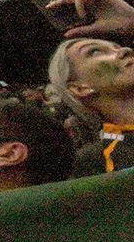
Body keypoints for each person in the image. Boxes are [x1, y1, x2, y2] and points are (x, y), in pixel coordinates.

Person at [47, 34, 134, 175]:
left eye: (117, 47)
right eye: (95, 51)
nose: (125, 50)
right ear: (80, 88)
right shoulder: (106, 163)